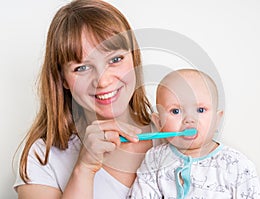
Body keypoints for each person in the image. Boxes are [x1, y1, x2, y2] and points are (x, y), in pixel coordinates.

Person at [13, 0, 155, 198]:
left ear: (134, 58)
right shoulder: (42, 157)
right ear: (62, 79)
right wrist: (84, 168)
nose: (103, 81)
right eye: (82, 68)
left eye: (115, 59)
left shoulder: (175, 134)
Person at [128, 69, 260, 198]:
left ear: (217, 120)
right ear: (158, 122)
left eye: (200, 110)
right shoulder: (155, 159)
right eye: (175, 111)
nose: (189, 120)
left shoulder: (236, 165)